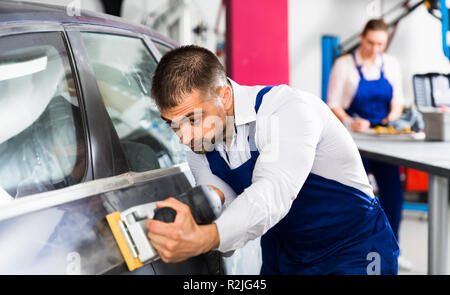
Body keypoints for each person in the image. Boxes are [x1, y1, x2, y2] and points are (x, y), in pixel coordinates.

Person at [146, 45, 399, 274]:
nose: (183, 137)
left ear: (223, 95)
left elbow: (272, 193)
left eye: (192, 119)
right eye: (173, 125)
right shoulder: (198, 145)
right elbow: (226, 216)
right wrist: (193, 221)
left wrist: (203, 238)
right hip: (286, 251)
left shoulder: (285, 111)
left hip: (354, 248)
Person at [327, 19, 411, 270]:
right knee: (356, 196)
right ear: (362, 38)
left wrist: (392, 118)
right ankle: (352, 252)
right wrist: (351, 122)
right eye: (371, 42)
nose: (375, 49)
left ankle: (392, 248)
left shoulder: (391, 64)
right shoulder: (344, 65)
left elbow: (398, 102)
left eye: (381, 44)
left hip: (384, 140)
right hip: (354, 141)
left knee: (393, 194)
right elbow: (332, 104)